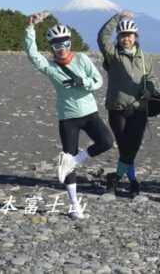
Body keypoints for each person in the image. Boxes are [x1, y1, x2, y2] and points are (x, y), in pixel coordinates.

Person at [25, 12, 113, 220]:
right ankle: (74, 205)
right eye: (56, 45)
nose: (61, 49)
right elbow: (31, 53)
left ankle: (75, 160)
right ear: (51, 47)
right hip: (67, 118)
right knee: (67, 157)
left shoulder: (82, 59)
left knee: (106, 142)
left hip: (90, 113)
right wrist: (30, 27)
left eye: (64, 43)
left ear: (70, 43)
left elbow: (98, 81)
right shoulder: (50, 67)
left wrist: (84, 83)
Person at [97, 10, 152, 197]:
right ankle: (131, 181)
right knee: (125, 147)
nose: (125, 39)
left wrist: (149, 90)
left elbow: (149, 79)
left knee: (132, 148)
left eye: (129, 35)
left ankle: (117, 178)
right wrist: (117, 18)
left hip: (139, 110)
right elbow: (102, 37)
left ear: (135, 37)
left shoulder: (145, 58)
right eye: (122, 36)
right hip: (117, 109)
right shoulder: (113, 56)